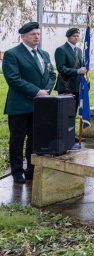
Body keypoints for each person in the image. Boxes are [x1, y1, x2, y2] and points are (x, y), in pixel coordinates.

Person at [3, 22, 56, 183]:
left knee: (35, 139)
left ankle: (31, 169)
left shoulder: (44, 54)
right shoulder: (13, 54)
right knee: (17, 140)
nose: (37, 37)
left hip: (40, 105)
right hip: (20, 106)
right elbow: (13, 79)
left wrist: (46, 90)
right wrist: (37, 91)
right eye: (33, 34)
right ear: (23, 36)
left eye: (38, 34)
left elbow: (51, 74)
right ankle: (17, 171)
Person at [54, 27, 86, 115]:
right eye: (74, 36)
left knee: (73, 113)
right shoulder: (61, 49)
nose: (76, 38)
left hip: (77, 86)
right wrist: (77, 71)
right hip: (66, 86)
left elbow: (80, 64)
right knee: (64, 114)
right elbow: (61, 68)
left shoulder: (79, 50)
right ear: (68, 37)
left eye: (78, 36)